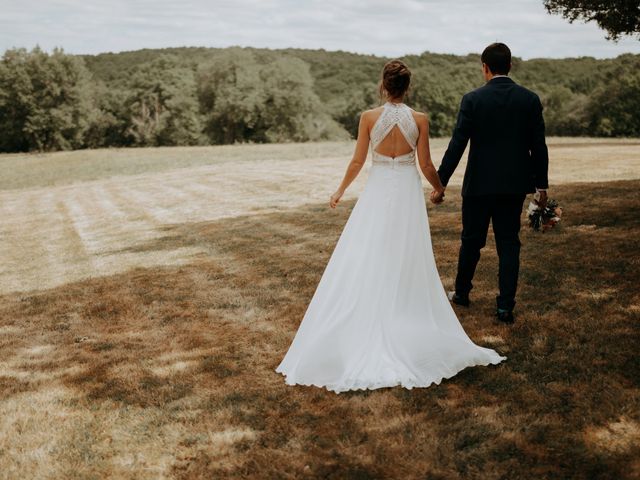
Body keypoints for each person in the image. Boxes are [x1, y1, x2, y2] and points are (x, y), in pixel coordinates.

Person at [275, 59, 506, 394]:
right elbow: (425, 163)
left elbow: (357, 160)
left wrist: (340, 190)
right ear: (407, 87)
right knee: (405, 252)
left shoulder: (369, 118)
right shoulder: (419, 120)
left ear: (384, 85)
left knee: (368, 250)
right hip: (407, 195)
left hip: (379, 190)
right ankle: (402, 311)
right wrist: (439, 187)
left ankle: (374, 310)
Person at [434, 42, 549, 325]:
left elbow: (457, 144)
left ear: (485, 68)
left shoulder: (472, 99)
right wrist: (541, 186)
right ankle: (505, 307)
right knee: (509, 244)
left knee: (471, 241)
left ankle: (461, 293)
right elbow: (539, 146)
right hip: (513, 186)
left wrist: (440, 182)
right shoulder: (529, 99)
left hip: (479, 185)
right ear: (510, 66)